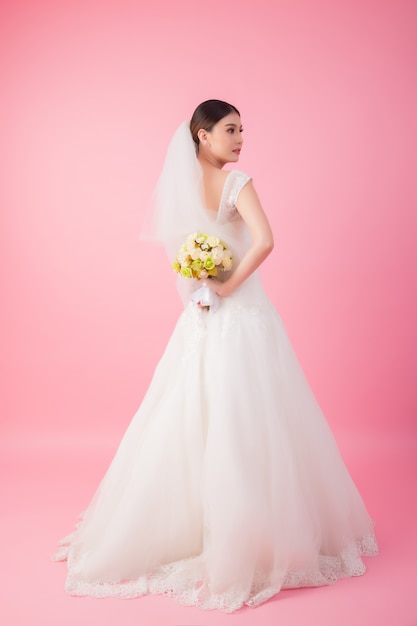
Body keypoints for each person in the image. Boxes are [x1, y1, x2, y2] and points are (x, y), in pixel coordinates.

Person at [54, 100, 378, 612]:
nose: (241, 137)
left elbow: (181, 256)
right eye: (230, 129)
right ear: (202, 136)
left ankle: (205, 529)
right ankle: (249, 535)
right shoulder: (237, 183)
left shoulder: (181, 190)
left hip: (202, 318)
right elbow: (265, 241)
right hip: (238, 311)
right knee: (250, 416)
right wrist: (226, 285)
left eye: (242, 129)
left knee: (197, 413)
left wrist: (205, 287)